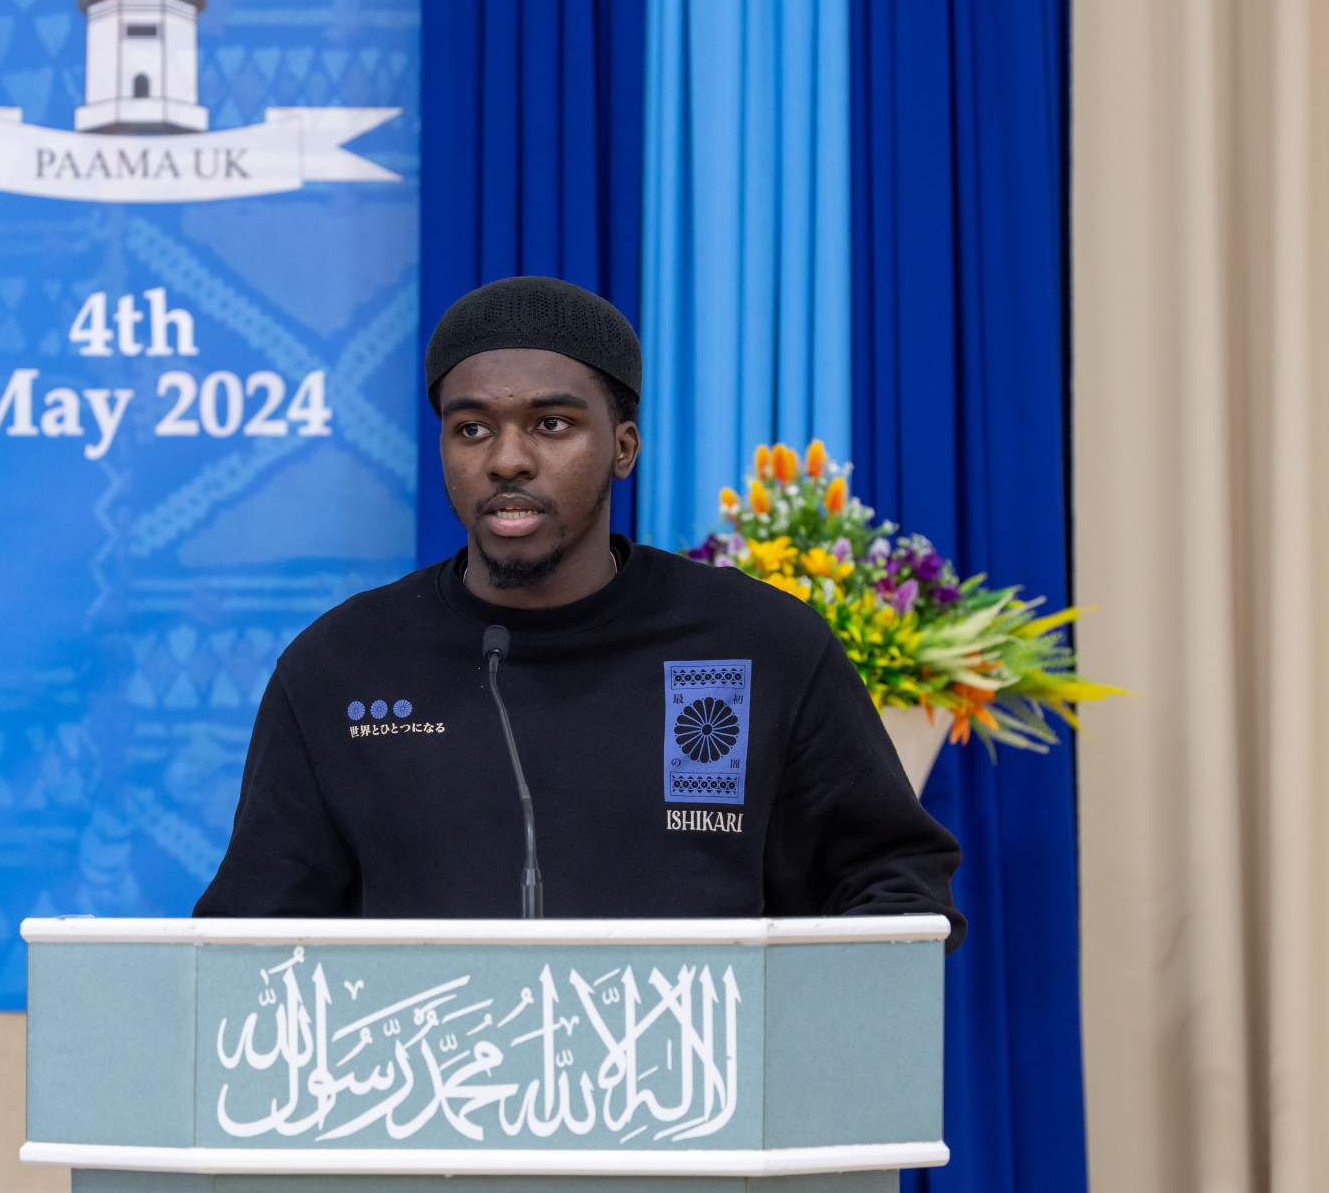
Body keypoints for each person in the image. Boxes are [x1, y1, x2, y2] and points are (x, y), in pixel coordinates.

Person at [194, 276, 964, 947]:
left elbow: (893, 882)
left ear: (623, 447)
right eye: (472, 429)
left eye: (552, 424)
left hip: (703, 1070)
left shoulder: (761, 643)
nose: (507, 459)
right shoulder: (341, 665)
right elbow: (251, 934)